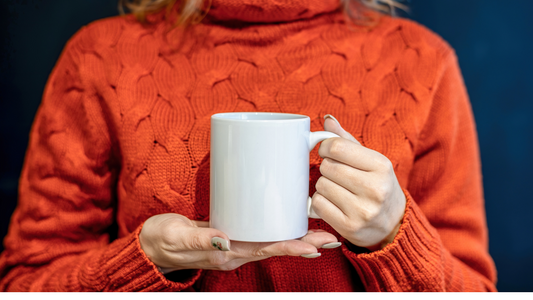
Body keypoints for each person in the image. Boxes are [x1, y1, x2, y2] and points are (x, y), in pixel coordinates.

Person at [0, 0, 497, 292]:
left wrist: (394, 236)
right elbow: (25, 285)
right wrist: (145, 258)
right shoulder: (101, 57)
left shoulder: (422, 63)